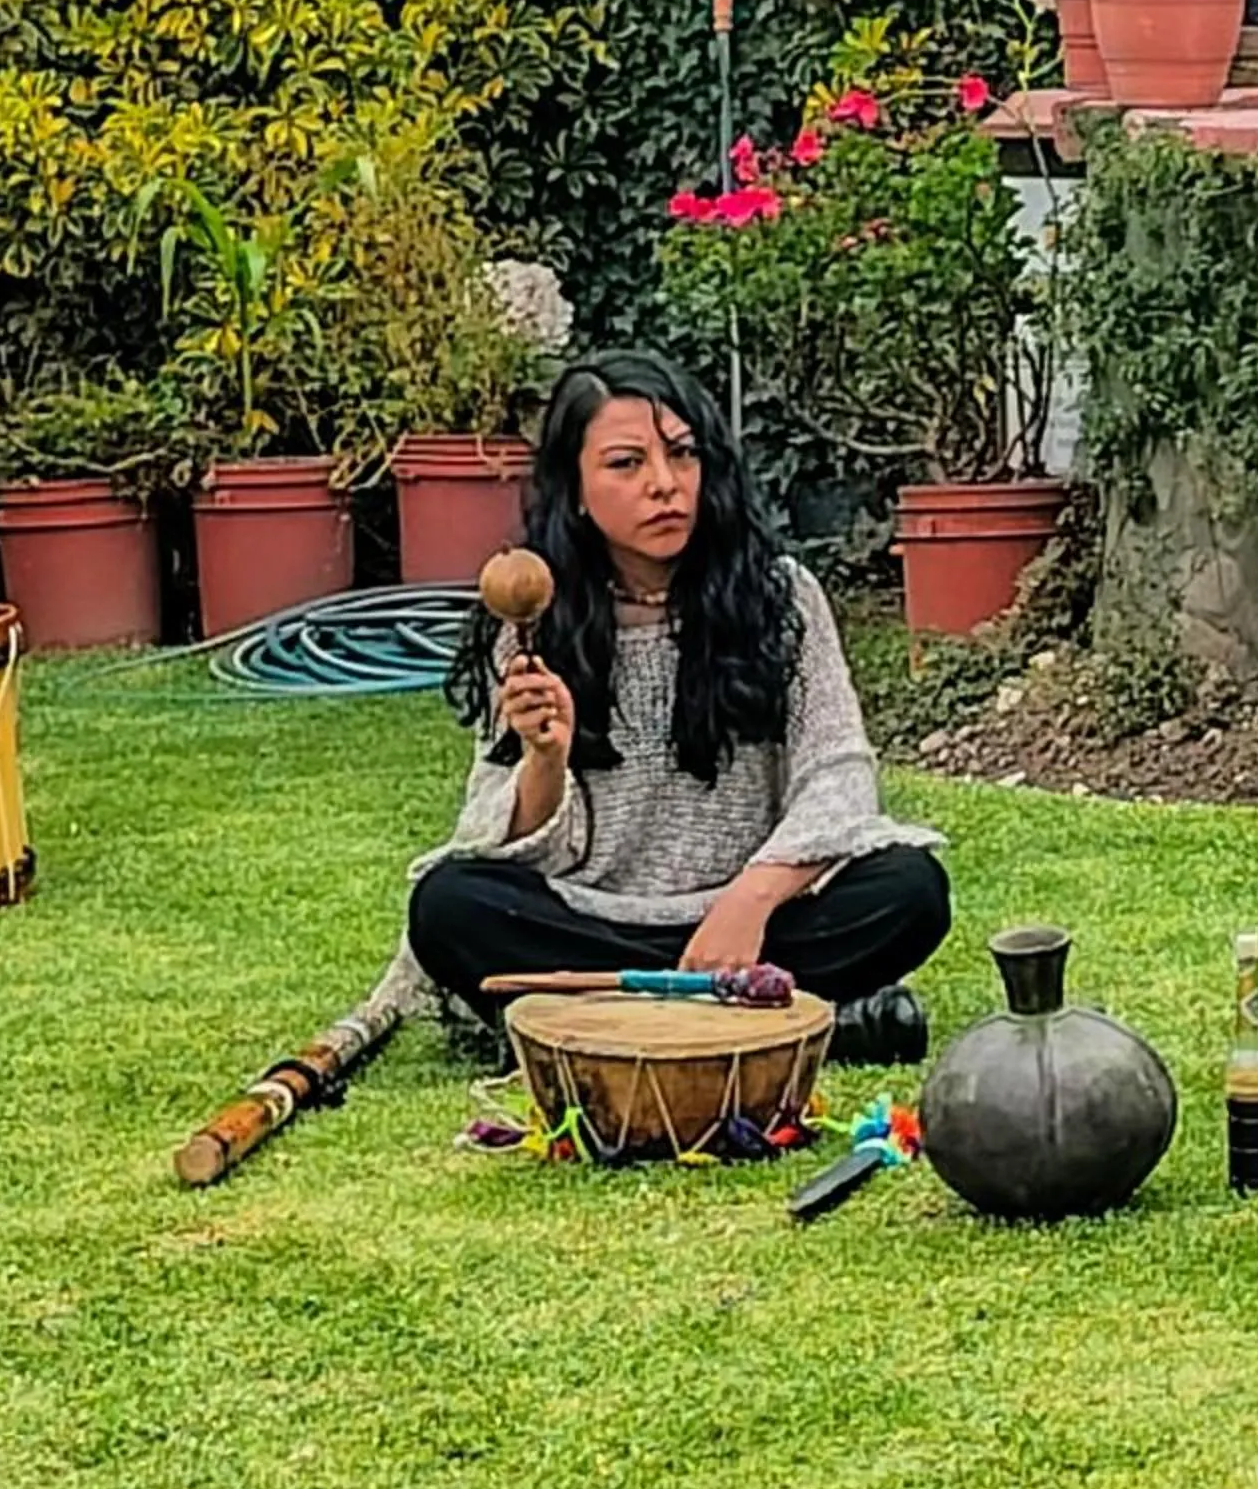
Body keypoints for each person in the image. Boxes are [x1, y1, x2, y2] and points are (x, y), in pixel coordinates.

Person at [382, 350, 951, 1064]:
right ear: (576, 489)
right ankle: (776, 1017)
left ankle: (603, 1022)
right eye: (626, 464)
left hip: (757, 918)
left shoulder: (780, 598)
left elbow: (838, 777)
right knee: (451, 906)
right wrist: (546, 759)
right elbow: (501, 841)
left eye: (682, 455)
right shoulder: (534, 620)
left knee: (910, 887)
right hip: (596, 920)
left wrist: (748, 902)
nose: (665, 485)